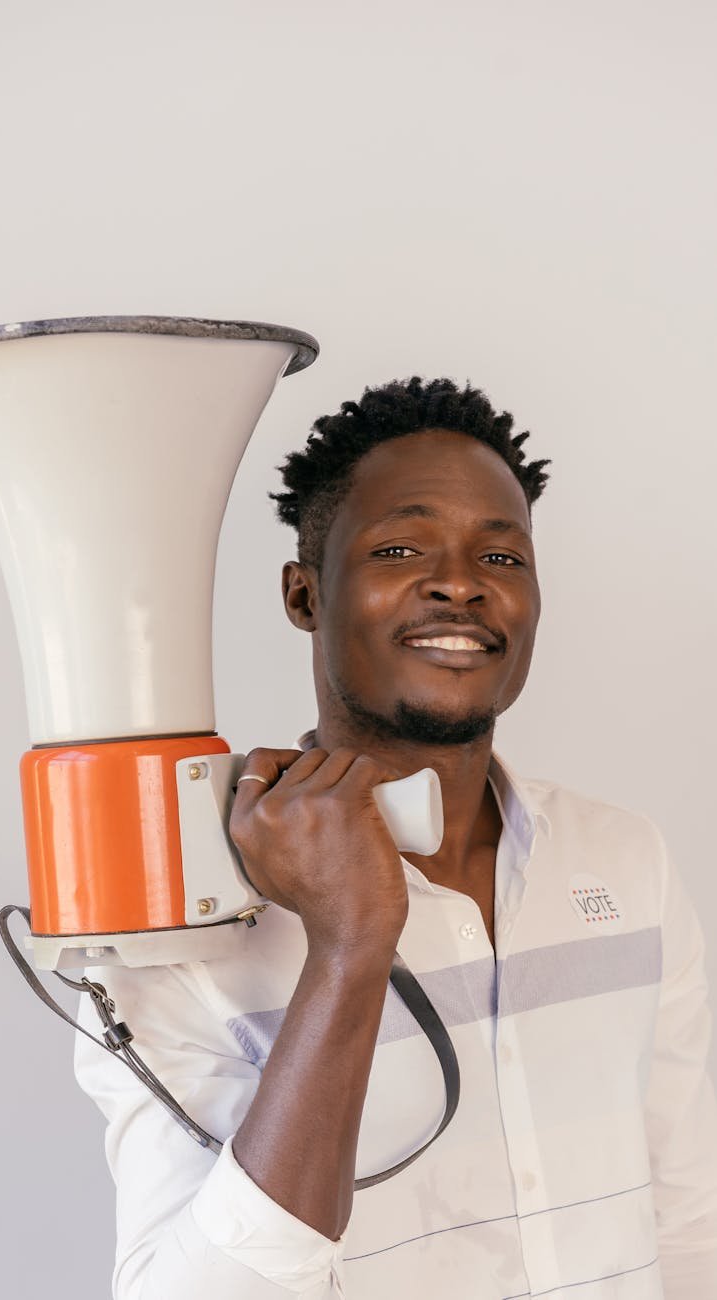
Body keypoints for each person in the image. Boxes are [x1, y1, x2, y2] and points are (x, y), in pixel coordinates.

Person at [74, 376, 717, 1299]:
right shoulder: (179, 930)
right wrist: (347, 948)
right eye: (399, 547)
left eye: (501, 557)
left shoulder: (624, 857)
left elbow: (686, 1219)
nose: (460, 582)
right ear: (304, 593)